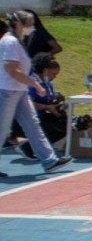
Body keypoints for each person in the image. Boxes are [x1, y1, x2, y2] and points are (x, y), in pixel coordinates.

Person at [0, 11, 72, 177]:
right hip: (8, 90)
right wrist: (35, 84)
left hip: (18, 91)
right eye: (28, 24)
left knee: (33, 125)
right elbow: (12, 69)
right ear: (18, 25)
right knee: (2, 129)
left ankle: (49, 160)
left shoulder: (16, 42)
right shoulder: (10, 42)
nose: (31, 28)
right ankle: (49, 160)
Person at [23, 53, 67, 154]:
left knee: (66, 123)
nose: (55, 77)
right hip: (33, 117)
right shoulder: (32, 83)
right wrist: (46, 107)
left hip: (45, 115)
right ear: (45, 71)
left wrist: (57, 99)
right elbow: (27, 102)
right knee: (57, 128)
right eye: (54, 74)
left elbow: (49, 98)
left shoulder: (47, 83)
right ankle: (27, 147)